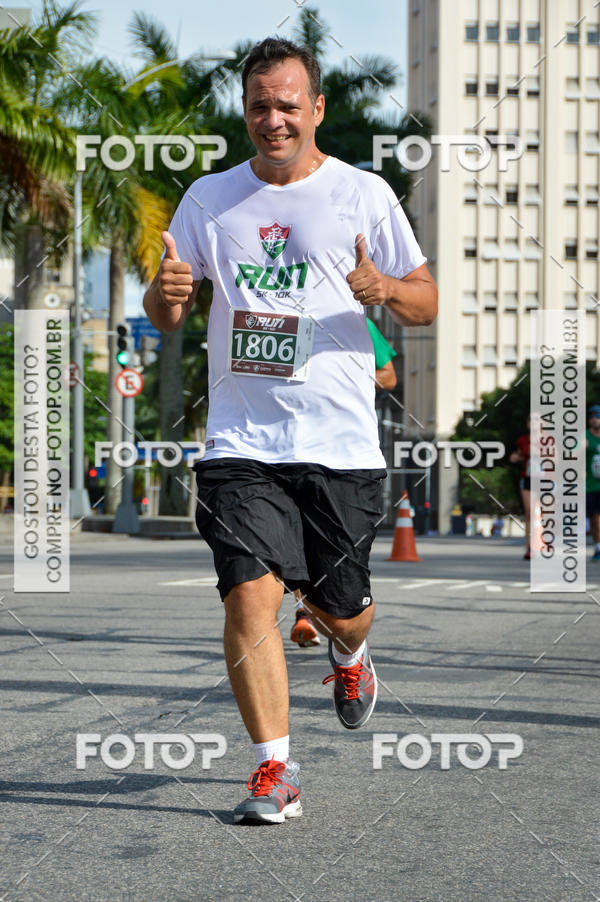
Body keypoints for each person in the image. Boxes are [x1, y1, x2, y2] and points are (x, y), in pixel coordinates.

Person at [143, 37, 437, 825]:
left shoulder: (363, 194)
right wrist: (165, 291)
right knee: (248, 598)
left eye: (287, 104)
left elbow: (426, 299)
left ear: (317, 108)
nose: (273, 119)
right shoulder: (210, 196)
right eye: (259, 106)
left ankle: (351, 651)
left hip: (339, 443)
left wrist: (383, 288)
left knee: (344, 610)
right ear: (246, 112)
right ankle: (275, 770)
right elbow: (168, 313)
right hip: (243, 442)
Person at [290, 319, 397, 647]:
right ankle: (302, 613)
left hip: (342, 453)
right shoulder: (279, 316)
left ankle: (332, 625)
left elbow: (389, 375)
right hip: (286, 443)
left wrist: (342, 382)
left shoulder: (356, 320)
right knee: (293, 537)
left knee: (331, 556)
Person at [510, 416, 531, 559]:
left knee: (547, 513)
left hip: (545, 479)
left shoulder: (549, 439)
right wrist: (516, 457)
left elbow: (557, 458)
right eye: (531, 421)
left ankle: (548, 544)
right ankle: (530, 547)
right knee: (529, 513)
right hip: (528, 478)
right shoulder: (523, 441)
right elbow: (516, 455)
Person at [585, 405, 600, 561]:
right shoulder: (585, 436)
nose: (594, 420)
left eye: (597, 417)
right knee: (594, 520)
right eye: (592, 417)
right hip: (591, 485)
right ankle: (598, 547)